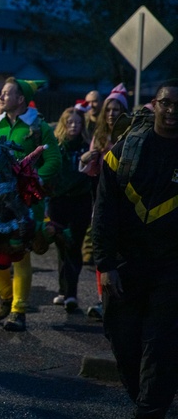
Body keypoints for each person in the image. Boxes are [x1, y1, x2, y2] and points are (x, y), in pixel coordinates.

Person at [92, 79, 178, 419]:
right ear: (154, 106)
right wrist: (105, 263)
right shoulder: (125, 151)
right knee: (123, 341)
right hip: (126, 265)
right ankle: (149, 409)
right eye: (166, 103)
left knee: (161, 345)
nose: (172, 111)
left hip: (172, 269)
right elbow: (104, 210)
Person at [0, 77, 61, 332]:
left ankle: (19, 310)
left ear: (20, 99)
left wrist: (34, 179)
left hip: (25, 202)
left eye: (7, 93)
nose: (2, 96)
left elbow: (53, 159)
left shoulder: (38, 128)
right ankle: (6, 296)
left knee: (20, 255)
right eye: (2, 92)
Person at [80, 83, 131, 318]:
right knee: (103, 252)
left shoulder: (132, 137)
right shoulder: (99, 136)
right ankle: (103, 300)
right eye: (108, 109)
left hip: (128, 205)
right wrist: (86, 159)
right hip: (102, 202)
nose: (111, 114)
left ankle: (122, 299)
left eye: (116, 109)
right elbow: (90, 172)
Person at [48, 106, 93, 314]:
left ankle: (71, 293)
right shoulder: (56, 147)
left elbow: (84, 176)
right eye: (70, 123)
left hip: (79, 202)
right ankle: (63, 289)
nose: (74, 126)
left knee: (74, 245)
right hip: (58, 202)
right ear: (63, 125)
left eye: (78, 123)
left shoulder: (87, 147)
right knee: (61, 246)